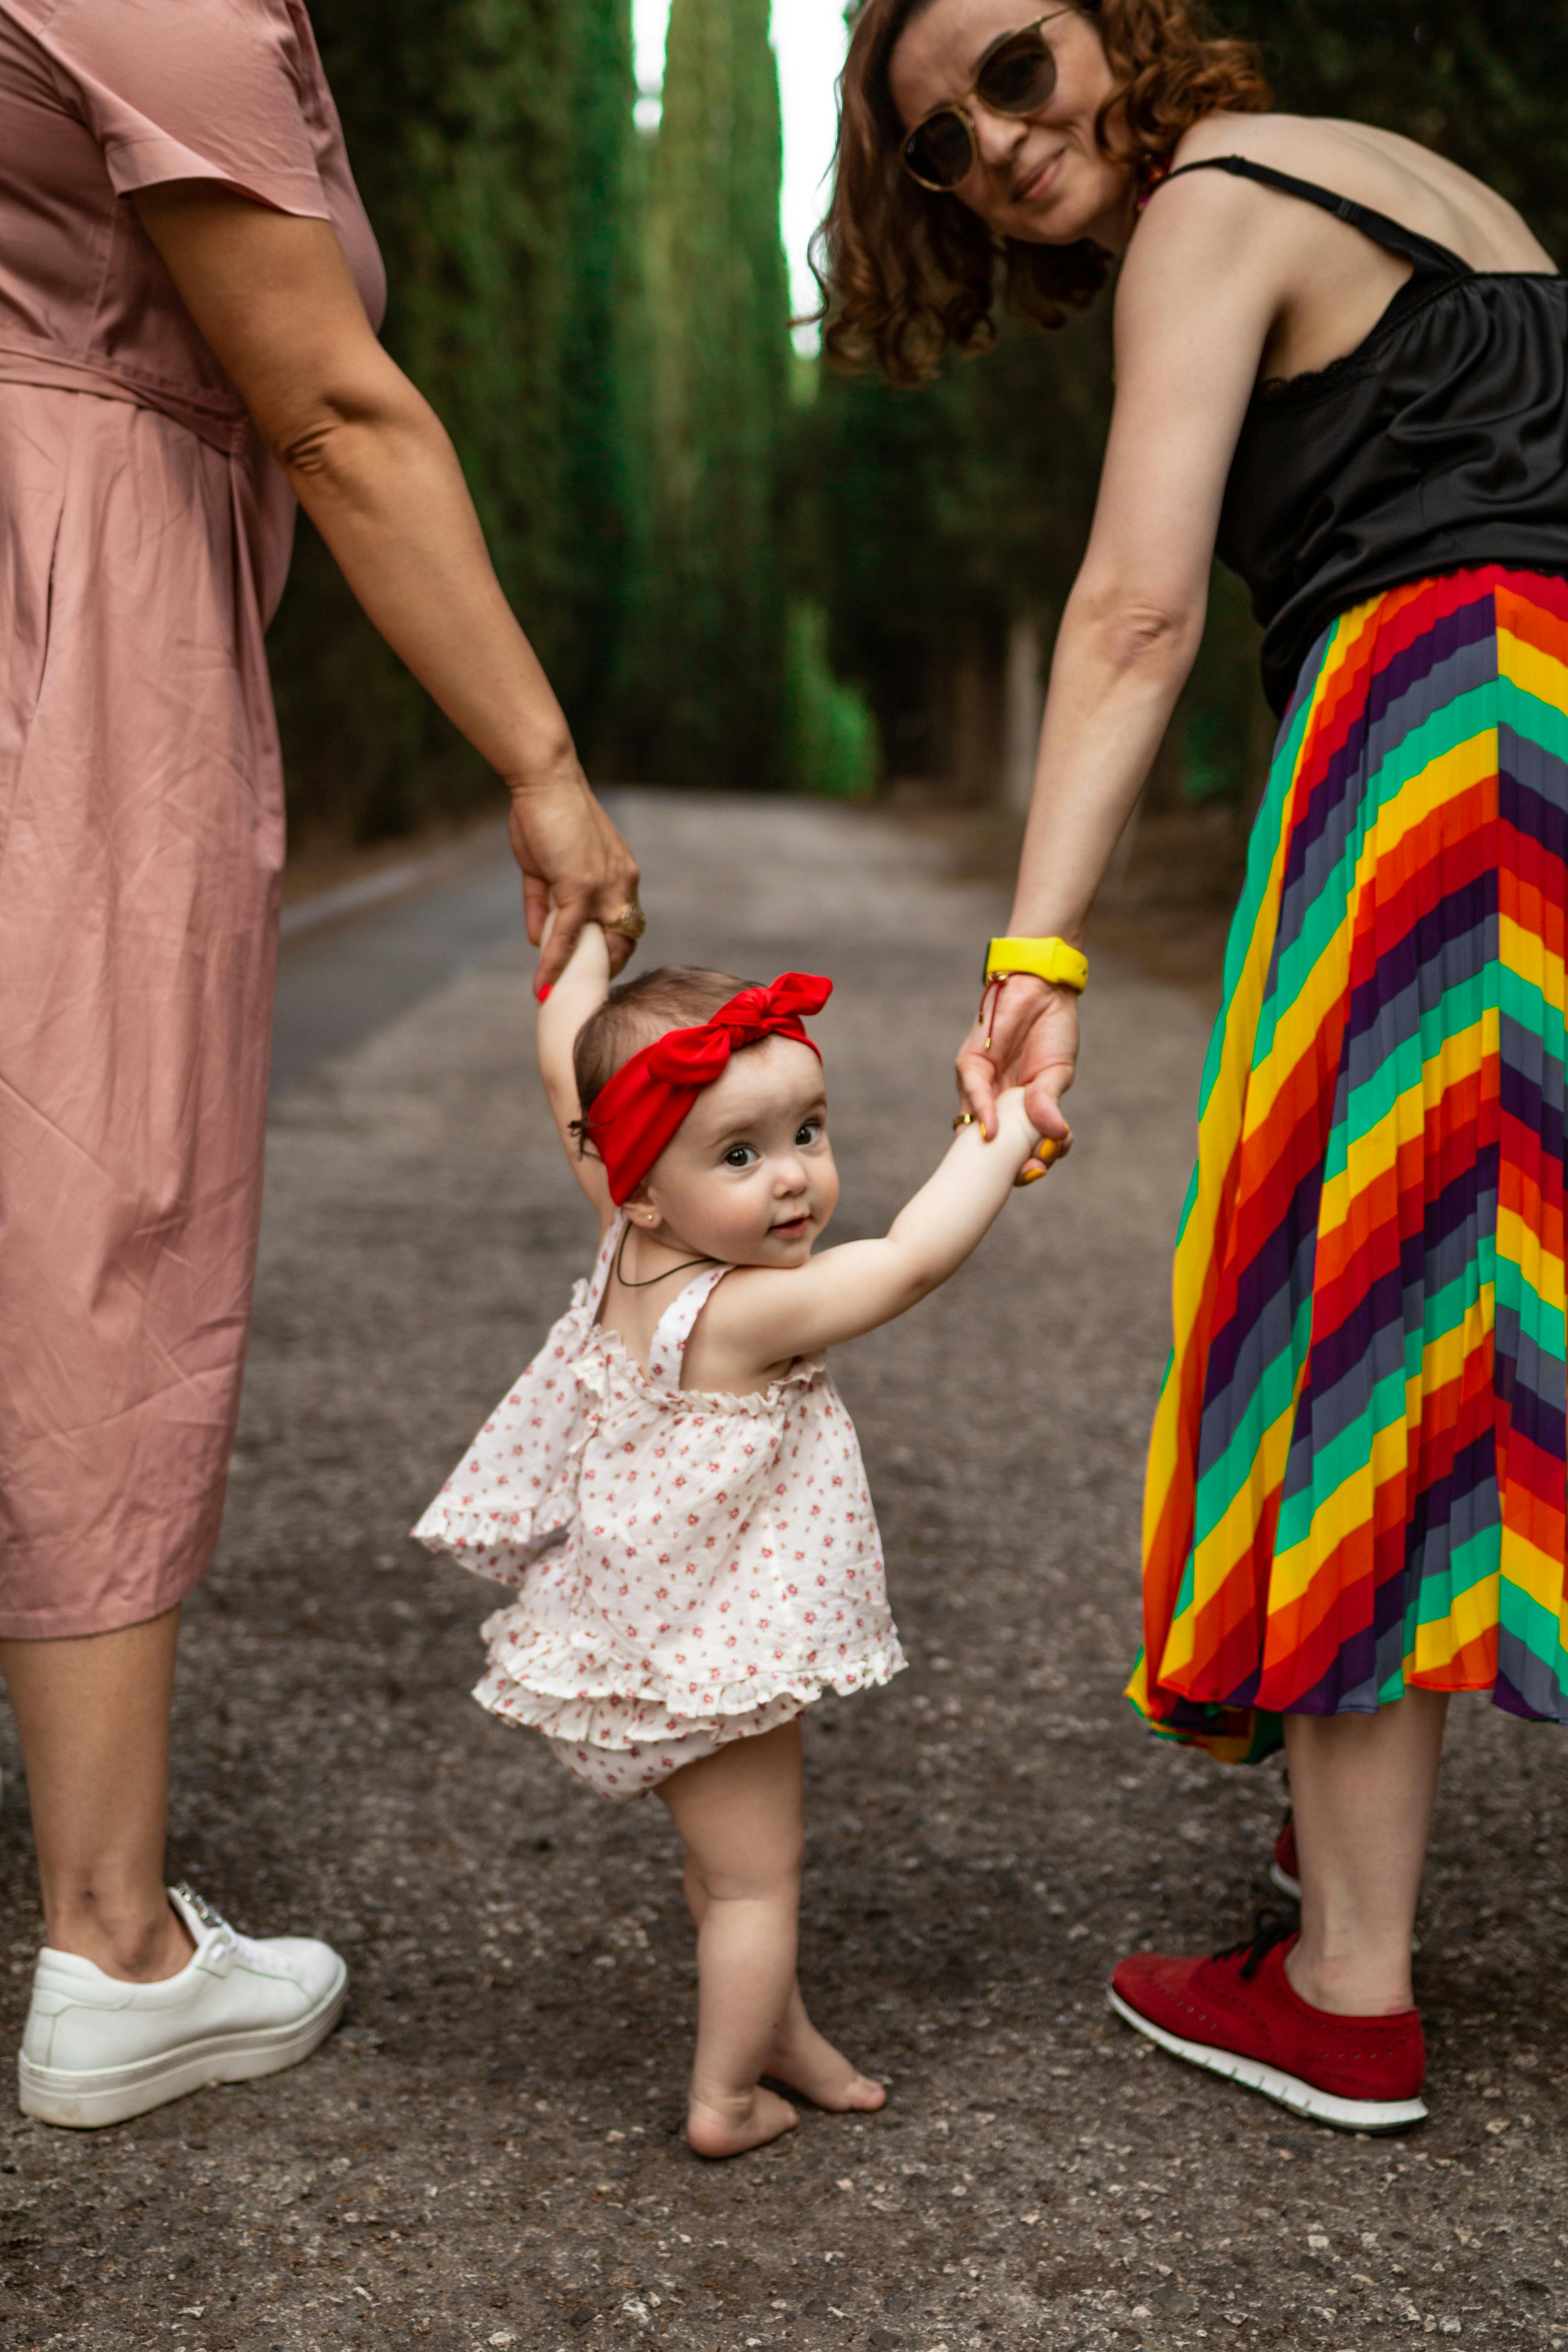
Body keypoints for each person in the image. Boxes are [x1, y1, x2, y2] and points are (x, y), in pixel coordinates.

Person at [820, 0, 1568, 2133]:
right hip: (1551, 737)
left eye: (1017, 68)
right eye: (944, 143)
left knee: (1366, 1306)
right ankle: (1337, 1857)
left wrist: (1036, 948)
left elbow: (1134, 613)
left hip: (1440, 739)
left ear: (1117, 25)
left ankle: (1345, 1988)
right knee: (1492, 1296)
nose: (998, 141)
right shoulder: (1426, 182)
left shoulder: (1209, 210)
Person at [1, 0, 640, 2129]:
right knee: (94, 1213)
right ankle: (110, 1950)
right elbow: (338, 408)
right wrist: (544, 769)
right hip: (75, 607)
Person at [414, 923, 1058, 2155]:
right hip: (713, 1650)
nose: (794, 1181)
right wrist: (1012, 1126)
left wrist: (583, 963)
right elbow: (915, 1259)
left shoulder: (626, 1229)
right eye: (744, 1154)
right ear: (646, 1180)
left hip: (657, 1630)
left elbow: (568, 1066)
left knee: (724, 1869)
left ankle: (785, 2040)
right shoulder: (750, 1312)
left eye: (809, 1133)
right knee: (759, 1884)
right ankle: (724, 2100)